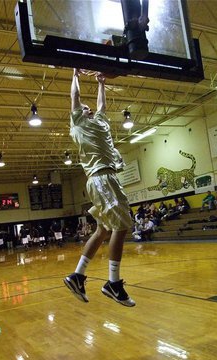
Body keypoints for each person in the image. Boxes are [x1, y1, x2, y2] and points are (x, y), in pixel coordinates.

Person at [63, 68, 135, 307]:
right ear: (78, 116)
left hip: (106, 179)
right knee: (123, 227)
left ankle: (78, 275)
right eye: (85, 109)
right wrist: (75, 74)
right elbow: (74, 99)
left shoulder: (100, 121)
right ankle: (112, 283)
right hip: (101, 179)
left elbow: (102, 106)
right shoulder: (79, 125)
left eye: (89, 108)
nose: (89, 109)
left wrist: (101, 83)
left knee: (103, 230)